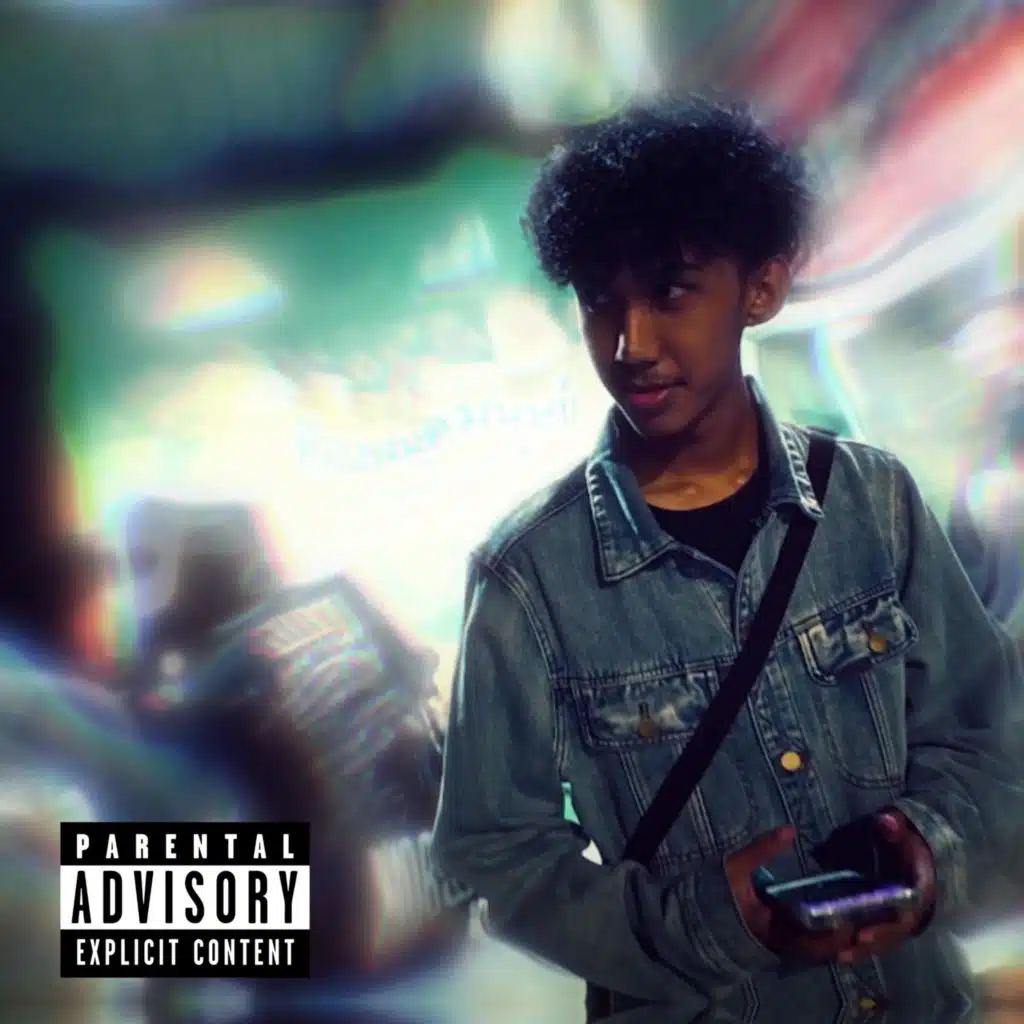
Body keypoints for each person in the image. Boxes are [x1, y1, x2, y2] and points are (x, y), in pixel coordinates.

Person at [431, 93, 1024, 1022]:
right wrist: (706, 924)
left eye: (670, 293)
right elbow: (493, 853)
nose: (630, 344)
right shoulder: (527, 577)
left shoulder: (874, 502)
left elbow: (988, 737)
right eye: (599, 301)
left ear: (762, 289)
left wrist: (929, 847)